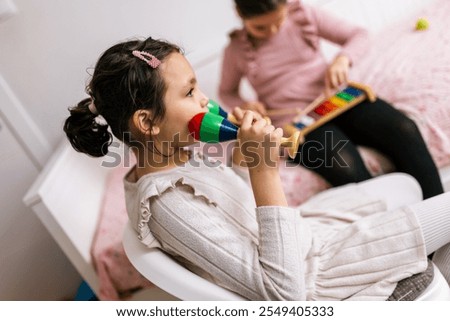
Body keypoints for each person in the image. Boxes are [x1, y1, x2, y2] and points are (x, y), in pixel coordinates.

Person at [63, 36, 450, 300]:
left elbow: (226, 205)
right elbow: (285, 296)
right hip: (312, 277)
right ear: (147, 123)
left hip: (303, 235)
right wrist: (262, 170)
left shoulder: (176, 154)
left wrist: (242, 150)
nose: (205, 101)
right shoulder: (166, 205)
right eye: (189, 93)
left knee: (403, 184)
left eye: (198, 87)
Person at [218, 0, 443, 199]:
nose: (273, 31)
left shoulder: (304, 15)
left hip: (337, 99)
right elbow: (226, 92)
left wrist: (342, 59)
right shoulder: (235, 50)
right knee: (344, 165)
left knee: (403, 128)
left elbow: (359, 35)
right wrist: (245, 105)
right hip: (298, 123)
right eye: (260, 27)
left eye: (279, 20)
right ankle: (402, 227)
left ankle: (441, 216)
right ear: (240, 13)